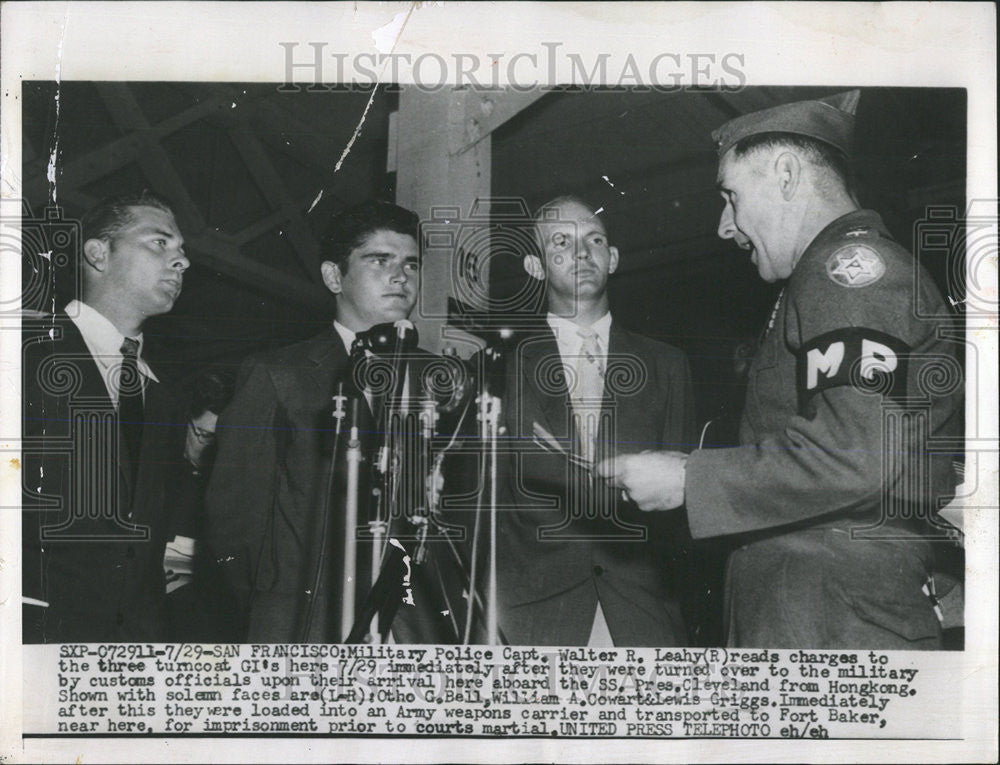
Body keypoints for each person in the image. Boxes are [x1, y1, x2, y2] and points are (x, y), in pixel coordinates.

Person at [598, 91, 964, 649]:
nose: (726, 226)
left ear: (787, 175)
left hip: (828, 616)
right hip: (818, 606)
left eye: (732, 197)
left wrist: (686, 479)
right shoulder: (818, 280)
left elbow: (850, 457)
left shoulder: (849, 274)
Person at [205, 200, 458, 643]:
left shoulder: (445, 382)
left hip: (419, 633)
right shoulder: (278, 375)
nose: (401, 276)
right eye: (380, 260)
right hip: (305, 627)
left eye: (411, 264)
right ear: (333, 276)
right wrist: (280, 608)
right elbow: (235, 527)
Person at [491, 195, 696, 646]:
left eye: (595, 240)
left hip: (643, 613)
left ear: (614, 257)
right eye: (561, 241)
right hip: (529, 619)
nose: (582, 253)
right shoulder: (499, 366)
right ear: (535, 266)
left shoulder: (667, 364)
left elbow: (683, 504)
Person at [22, 190, 190, 643]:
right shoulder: (25, 355)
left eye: (182, 251)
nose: (182, 263)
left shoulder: (163, 396)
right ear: (98, 253)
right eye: (160, 243)